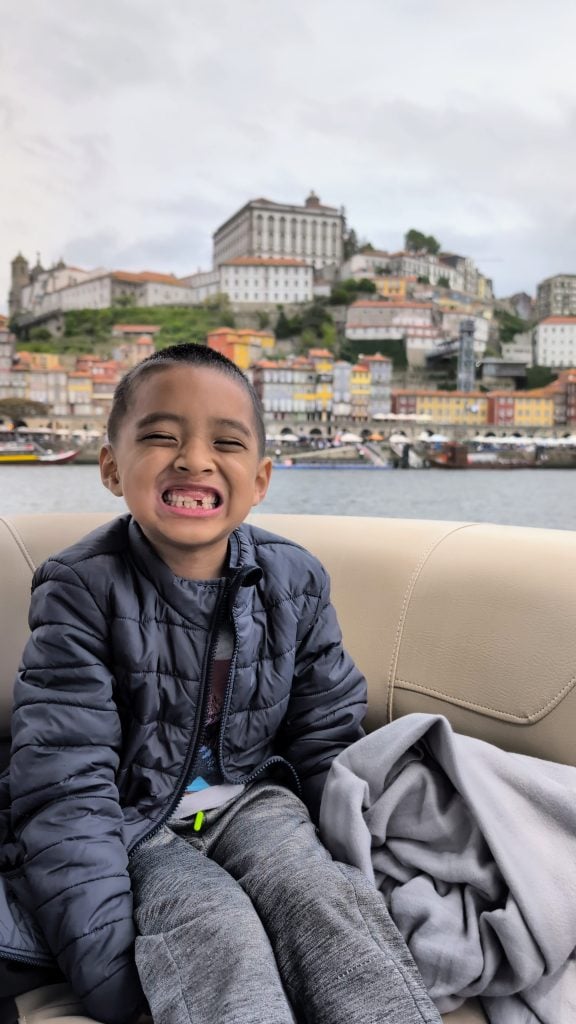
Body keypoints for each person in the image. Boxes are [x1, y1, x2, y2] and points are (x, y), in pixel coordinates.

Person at [2, 344, 441, 1024]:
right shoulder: (79, 588)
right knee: (212, 926)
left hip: (256, 802)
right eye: (160, 436)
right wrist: (114, 985)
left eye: (226, 442)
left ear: (261, 478)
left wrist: (359, 852)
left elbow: (325, 735)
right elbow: (66, 782)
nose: (194, 459)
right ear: (112, 467)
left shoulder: (295, 580)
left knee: (320, 899)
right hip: (134, 823)